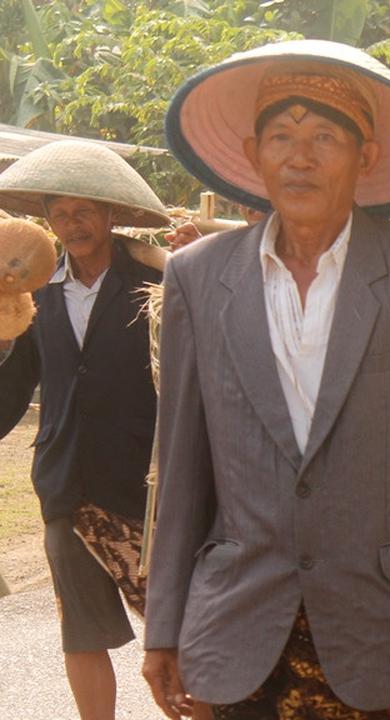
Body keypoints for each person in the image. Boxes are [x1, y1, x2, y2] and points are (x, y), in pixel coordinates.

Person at [142, 40, 390, 720]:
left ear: (364, 157)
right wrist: (164, 624)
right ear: (253, 153)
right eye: (281, 136)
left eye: (324, 137)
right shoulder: (197, 276)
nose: (299, 156)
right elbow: (183, 468)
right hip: (242, 632)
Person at [0, 140, 170, 720]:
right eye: (60, 215)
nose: (71, 225)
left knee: (176, 634)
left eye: (83, 212)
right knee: (82, 633)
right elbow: (10, 394)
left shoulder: (157, 283)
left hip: (148, 491)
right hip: (66, 485)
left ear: (110, 216)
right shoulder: (32, 294)